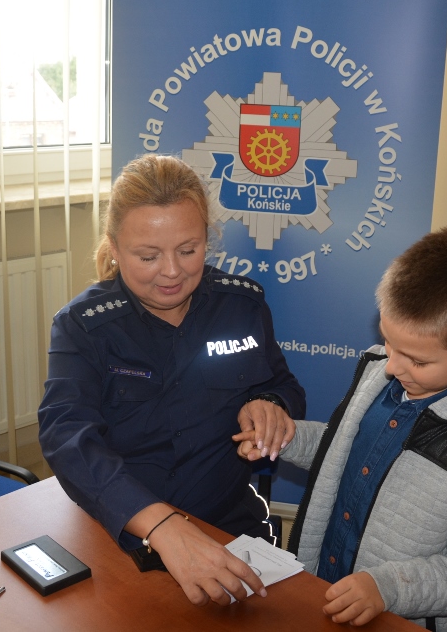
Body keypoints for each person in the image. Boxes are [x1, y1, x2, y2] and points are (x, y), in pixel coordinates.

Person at [238, 229, 447, 631]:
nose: (393, 367)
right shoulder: (381, 373)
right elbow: (340, 448)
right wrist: (285, 438)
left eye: (417, 361)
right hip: (324, 590)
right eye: (389, 343)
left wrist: (389, 588)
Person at [38, 154, 306, 607]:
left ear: (208, 239)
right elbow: (66, 435)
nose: (172, 271)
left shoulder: (241, 306)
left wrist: (270, 405)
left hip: (228, 526)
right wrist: (161, 525)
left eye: (188, 250)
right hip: (122, 529)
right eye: (148, 256)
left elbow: (284, 386)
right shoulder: (83, 326)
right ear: (114, 248)